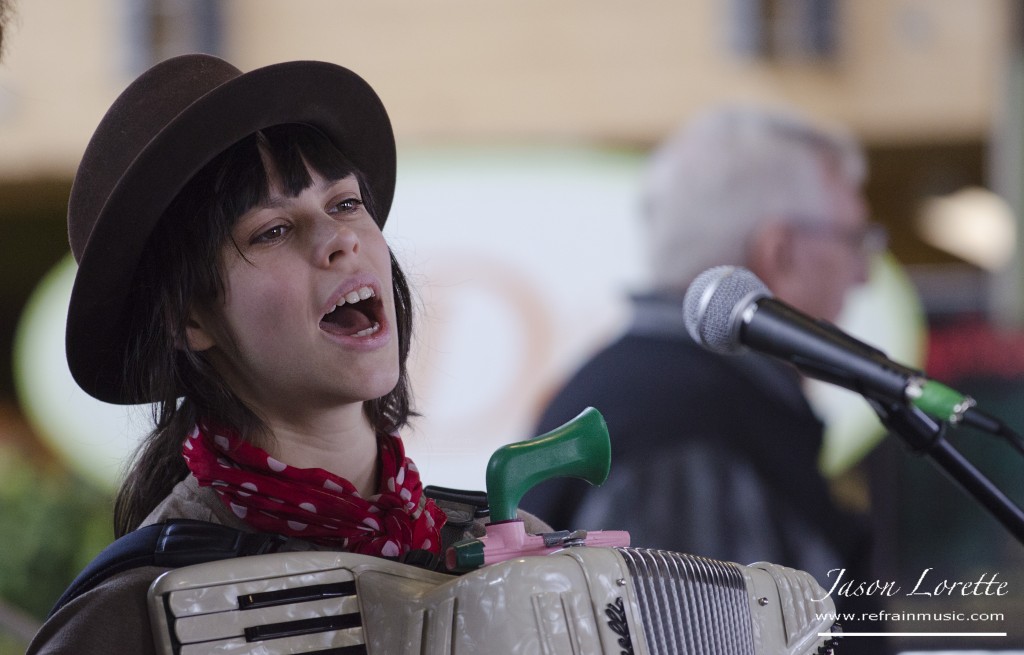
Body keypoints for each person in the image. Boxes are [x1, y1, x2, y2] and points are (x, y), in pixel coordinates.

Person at [27, 53, 547, 654]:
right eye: (272, 230)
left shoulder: (518, 554)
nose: (339, 239)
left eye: (346, 203)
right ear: (190, 319)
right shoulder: (133, 616)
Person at [522, 104, 881, 587]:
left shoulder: (651, 394)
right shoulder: (686, 428)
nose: (864, 274)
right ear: (781, 253)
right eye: (854, 241)